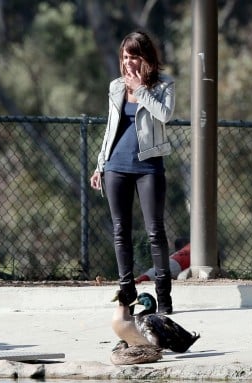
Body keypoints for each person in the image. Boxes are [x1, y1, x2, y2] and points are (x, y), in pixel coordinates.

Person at [90, 31, 176, 314]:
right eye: (125, 57)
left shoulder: (164, 85)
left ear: (146, 58)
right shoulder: (115, 86)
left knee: (155, 232)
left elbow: (164, 115)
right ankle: (127, 293)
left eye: (134, 56)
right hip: (116, 166)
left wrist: (140, 90)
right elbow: (110, 128)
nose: (128, 63)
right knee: (120, 231)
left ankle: (164, 297)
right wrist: (100, 164)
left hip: (149, 165)